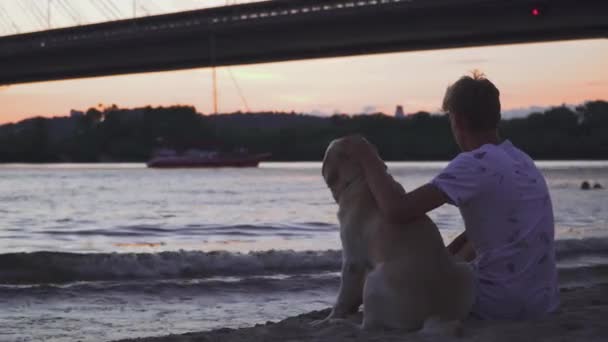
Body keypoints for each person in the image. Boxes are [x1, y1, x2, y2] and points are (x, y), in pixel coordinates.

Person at [343, 72, 559, 320]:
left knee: (411, 279)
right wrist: (446, 256)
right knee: (466, 244)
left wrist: (366, 155)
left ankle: (353, 300)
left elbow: (397, 210)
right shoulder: (522, 159)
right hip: (542, 302)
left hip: (497, 305)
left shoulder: (474, 162)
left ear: (458, 121)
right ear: (496, 117)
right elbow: (495, 231)